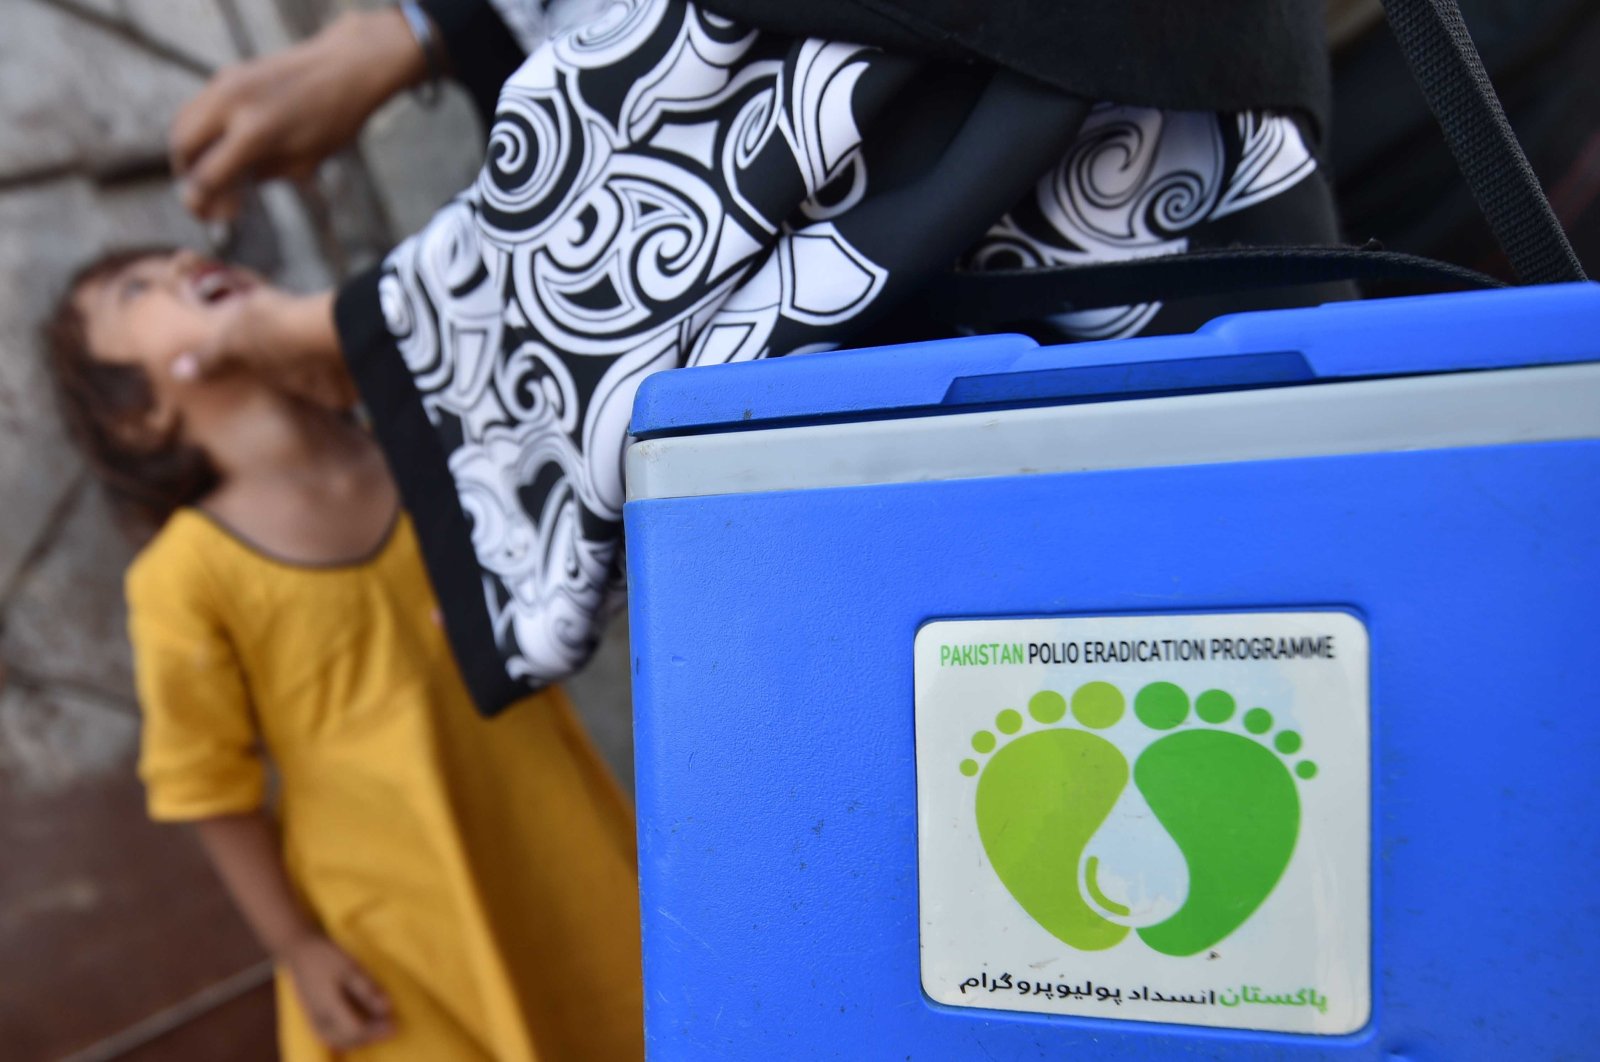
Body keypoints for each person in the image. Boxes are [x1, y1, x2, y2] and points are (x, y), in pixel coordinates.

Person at [169, 0, 1347, 716]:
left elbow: (740, 135)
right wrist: (427, 34)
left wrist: (370, 338)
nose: (179, 286)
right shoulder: (189, 578)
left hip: (1089, 186)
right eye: (133, 296)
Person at [42, 247, 644, 1061]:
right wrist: (296, 947)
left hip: (554, 841)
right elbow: (207, 787)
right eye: (136, 289)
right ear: (138, 416)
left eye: (181, 252)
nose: (186, 258)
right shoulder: (184, 576)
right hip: (393, 927)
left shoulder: (428, 450)